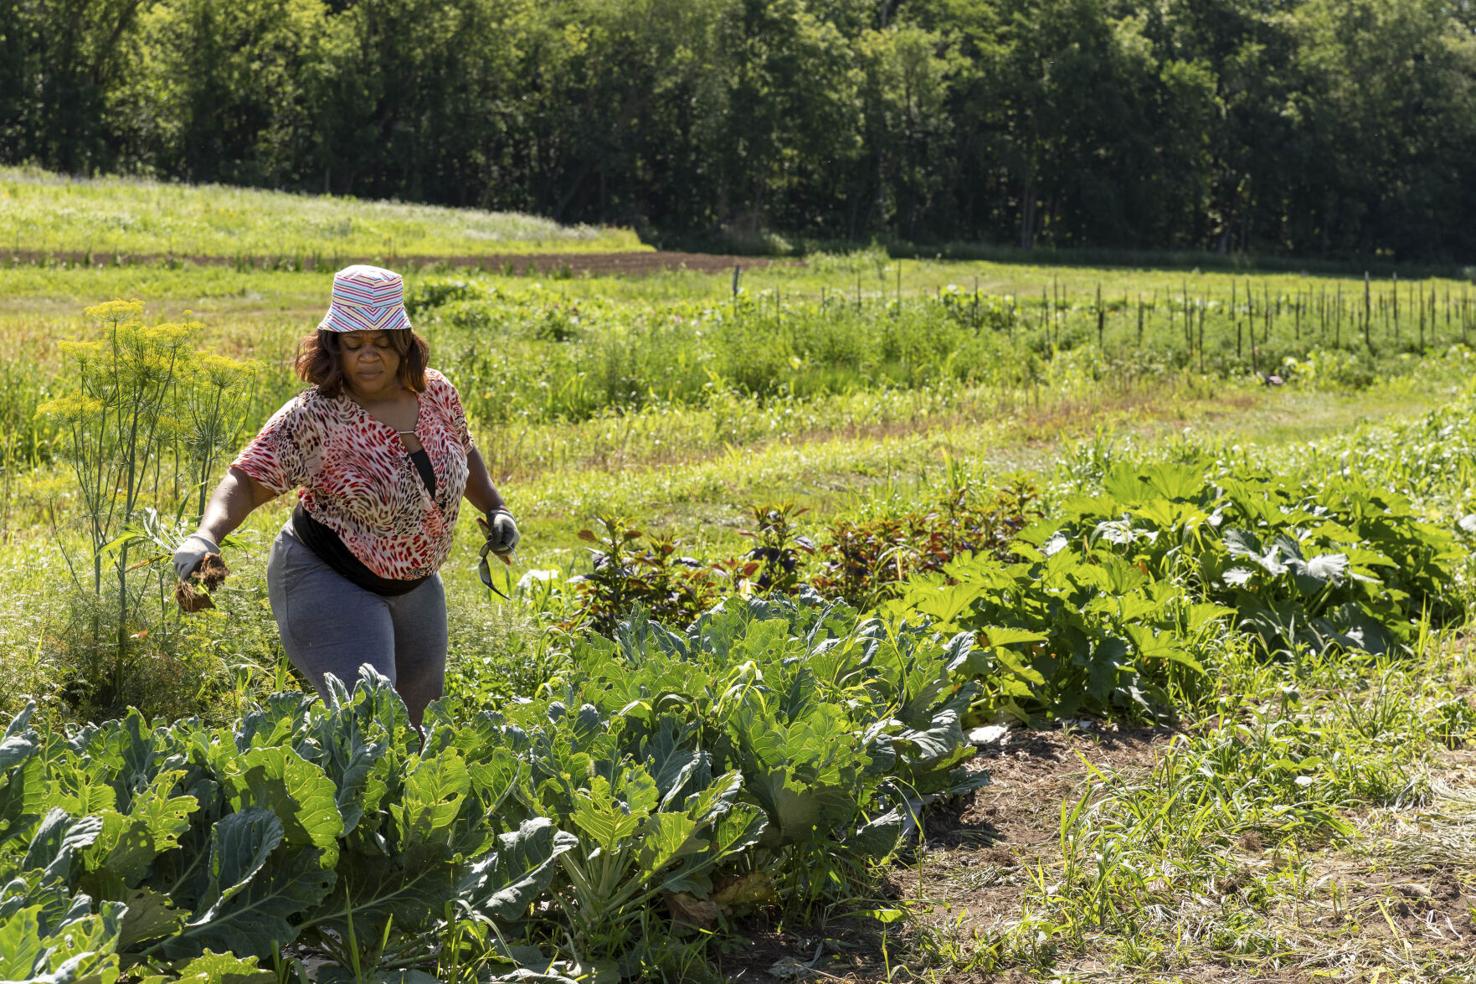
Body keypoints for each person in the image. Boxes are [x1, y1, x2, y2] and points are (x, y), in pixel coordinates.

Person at [171, 264, 518, 726]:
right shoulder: (316, 416)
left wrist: (496, 506)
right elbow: (247, 479)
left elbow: (463, 450)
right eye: (354, 345)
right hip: (328, 575)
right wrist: (205, 536)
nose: (367, 357)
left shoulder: (435, 393)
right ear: (334, 348)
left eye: (381, 343)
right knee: (369, 722)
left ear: (404, 342)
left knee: (419, 727)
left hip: (415, 583)